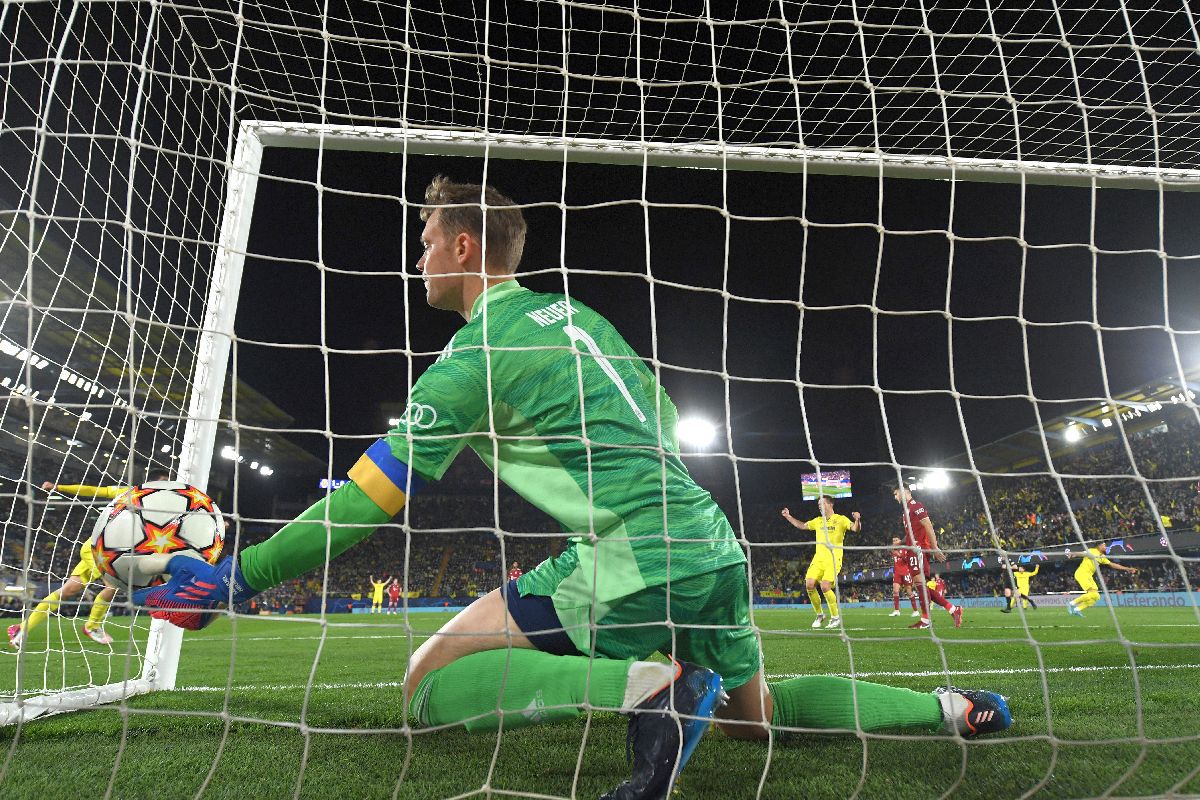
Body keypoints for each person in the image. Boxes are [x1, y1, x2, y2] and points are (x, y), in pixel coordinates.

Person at [135, 176, 1012, 799]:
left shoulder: (474, 353)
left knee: (423, 678)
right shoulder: (581, 317)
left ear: (464, 243)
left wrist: (241, 576)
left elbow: (369, 497)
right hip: (710, 544)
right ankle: (952, 708)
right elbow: (663, 421)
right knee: (760, 717)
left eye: (426, 240)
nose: (420, 256)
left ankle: (646, 684)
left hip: (627, 556)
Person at [8, 476, 166, 649]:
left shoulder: (159, 506)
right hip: (100, 549)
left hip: (104, 550)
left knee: (68, 591)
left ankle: (21, 628)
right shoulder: (129, 492)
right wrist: (59, 487)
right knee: (112, 586)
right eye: (162, 481)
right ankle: (92, 626)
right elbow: (93, 490)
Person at [781, 496, 860, 629]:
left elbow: (855, 529)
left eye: (821, 503)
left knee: (825, 586)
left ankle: (835, 617)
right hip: (819, 559)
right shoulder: (818, 521)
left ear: (830, 504)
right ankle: (820, 615)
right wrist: (788, 516)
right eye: (818, 504)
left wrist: (857, 519)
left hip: (833, 559)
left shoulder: (841, 519)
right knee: (809, 584)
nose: (819, 505)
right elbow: (802, 525)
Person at [894, 487, 963, 630]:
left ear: (903, 491)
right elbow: (910, 533)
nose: (895, 497)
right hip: (911, 549)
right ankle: (953, 609)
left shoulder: (916, 506)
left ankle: (926, 620)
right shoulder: (905, 512)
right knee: (920, 586)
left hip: (918, 549)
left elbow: (928, 525)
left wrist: (934, 547)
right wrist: (900, 542)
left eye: (895, 494)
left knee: (919, 584)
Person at [1067, 544, 1137, 617]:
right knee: (1093, 594)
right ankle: (1071, 603)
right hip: (1082, 573)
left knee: (1096, 596)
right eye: (1104, 545)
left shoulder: (1102, 557)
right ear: (1099, 546)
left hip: (1089, 576)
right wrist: (1073, 554)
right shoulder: (1092, 551)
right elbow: (1082, 553)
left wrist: (1128, 569)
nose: (1106, 547)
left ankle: (1077, 609)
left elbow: (1113, 565)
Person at [889, 536, 922, 618]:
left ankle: (916, 611)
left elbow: (907, 560)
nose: (895, 542)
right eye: (893, 541)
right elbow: (890, 550)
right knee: (895, 591)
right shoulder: (893, 550)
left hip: (906, 572)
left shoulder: (905, 549)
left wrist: (899, 555)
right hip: (897, 573)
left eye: (896, 540)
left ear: (900, 541)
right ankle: (896, 611)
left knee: (909, 591)